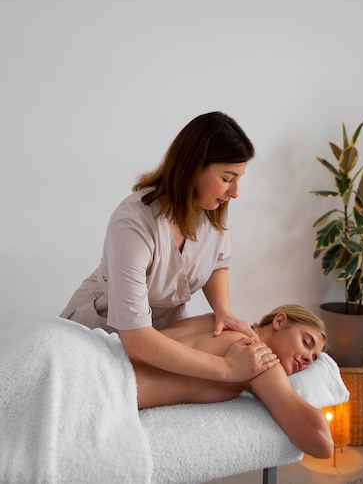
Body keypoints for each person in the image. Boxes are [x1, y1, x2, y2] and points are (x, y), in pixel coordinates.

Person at [60, 111, 278, 384]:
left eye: (238, 179)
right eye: (227, 178)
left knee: (221, 328)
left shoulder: (210, 207)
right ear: (193, 167)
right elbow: (137, 339)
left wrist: (223, 310)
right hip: (105, 334)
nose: (235, 192)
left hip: (164, 331)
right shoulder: (134, 222)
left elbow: (216, 261)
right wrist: (227, 368)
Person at [133, 304, 334, 459]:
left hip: (107, 353)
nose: (308, 359)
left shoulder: (216, 321)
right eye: (306, 343)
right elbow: (323, 444)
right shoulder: (259, 360)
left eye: (314, 358)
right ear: (279, 321)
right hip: (113, 386)